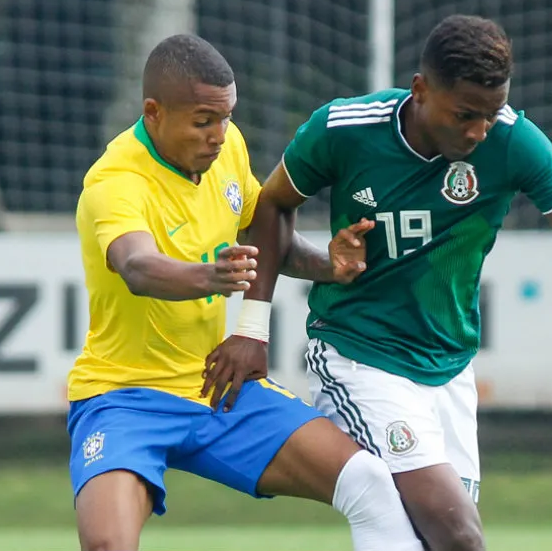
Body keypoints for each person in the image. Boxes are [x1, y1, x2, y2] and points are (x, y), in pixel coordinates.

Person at [205, 15, 552, 551]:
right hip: (360, 356)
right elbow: (273, 204)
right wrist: (253, 329)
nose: (478, 131)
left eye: (489, 115)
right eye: (465, 114)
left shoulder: (513, 141)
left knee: (420, 537)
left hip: (448, 370)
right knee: (458, 534)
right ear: (420, 90)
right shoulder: (344, 130)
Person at [68, 33, 424, 551]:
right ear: (153, 112)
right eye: (203, 121)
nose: (218, 135)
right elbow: (137, 266)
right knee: (107, 545)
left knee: (368, 482)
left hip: (218, 386)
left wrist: (331, 265)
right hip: (124, 399)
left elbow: (264, 235)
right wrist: (207, 277)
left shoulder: (227, 149)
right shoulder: (115, 180)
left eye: (226, 118)